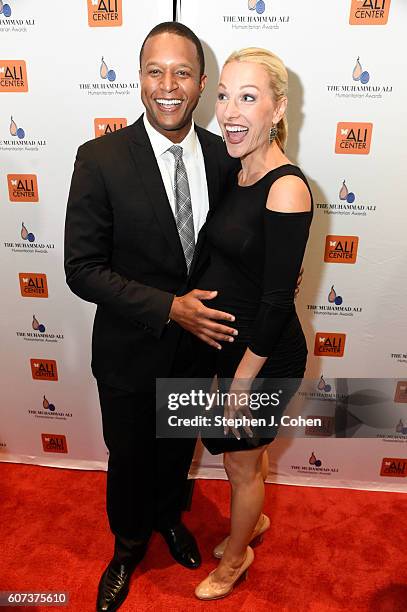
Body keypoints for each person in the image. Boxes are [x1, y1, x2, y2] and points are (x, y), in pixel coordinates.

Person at [64, 22, 240, 612]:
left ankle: (168, 518)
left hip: (198, 351)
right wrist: (169, 308)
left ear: (201, 83)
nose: (168, 86)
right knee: (131, 455)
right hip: (129, 351)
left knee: (176, 448)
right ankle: (127, 543)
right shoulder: (100, 158)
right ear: (140, 78)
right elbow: (82, 268)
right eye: (155, 71)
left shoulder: (223, 156)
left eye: (182, 73)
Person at [194, 48, 313, 600]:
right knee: (246, 455)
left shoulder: (286, 188)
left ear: (278, 109)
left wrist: (241, 382)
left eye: (248, 96)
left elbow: (273, 302)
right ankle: (255, 521)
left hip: (264, 355)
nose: (230, 110)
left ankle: (236, 557)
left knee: (240, 464)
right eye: (223, 95)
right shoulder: (236, 167)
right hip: (230, 346)